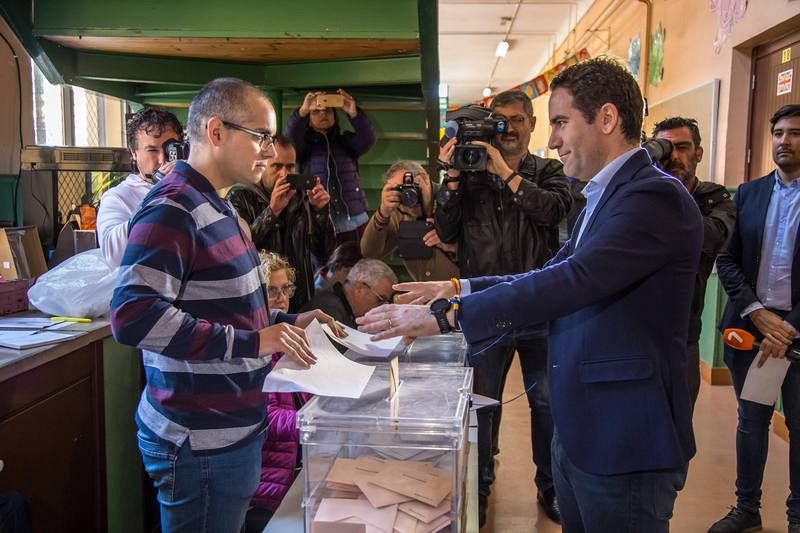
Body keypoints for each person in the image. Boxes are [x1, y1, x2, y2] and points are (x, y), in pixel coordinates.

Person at [358, 57, 702, 533]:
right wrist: (458, 285)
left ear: (606, 118)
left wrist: (448, 315)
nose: (553, 140)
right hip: (582, 428)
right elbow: (550, 270)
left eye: (561, 123)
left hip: (623, 439)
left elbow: (572, 280)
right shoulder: (606, 193)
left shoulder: (652, 197)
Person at [110, 77, 343, 533]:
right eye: (261, 136)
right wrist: (256, 339)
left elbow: (223, 307)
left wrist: (289, 320)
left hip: (231, 430)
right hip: (199, 441)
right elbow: (132, 316)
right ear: (216, 132)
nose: (270, 151)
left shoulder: (220, 208)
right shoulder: (173, 208)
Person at [436, 89, 571, 525]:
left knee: (547, 404)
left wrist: (505, 173)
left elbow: (553, 213)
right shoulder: (469, 173)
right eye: (500, 121)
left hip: (539, 304)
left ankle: (548, 486)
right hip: (486, 307)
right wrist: (453, 178)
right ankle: (480, 483)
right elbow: (445, 228)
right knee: (482, 402)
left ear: (532, 124)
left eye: (517, 120)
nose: (508, 128)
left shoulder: (550, 170)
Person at [711, 104, 800, 533]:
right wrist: (759, 314)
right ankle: (747, 509)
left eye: (796, 133)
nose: (785, 141)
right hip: (751, 327)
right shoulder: (749, 193)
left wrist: (786, 328)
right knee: (752, 423)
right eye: (779, 133)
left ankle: (797, 516)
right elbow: (727, 261)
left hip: (796, 333)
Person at [653, 116, 736, 410]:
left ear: (698, 153)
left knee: (677, 433)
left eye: (683, 147)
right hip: (636, 331)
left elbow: (712, 237)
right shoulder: (642, 195)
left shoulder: (714, 198)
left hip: (683, 333)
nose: (674, 156)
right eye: (665, 148)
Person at [229, 135, 336, 311]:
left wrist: (321, 212)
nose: (284, 174)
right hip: (261, 301)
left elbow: (326, 253)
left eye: (290, 166)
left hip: (300, 301)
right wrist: (272, 212)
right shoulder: (241, 199)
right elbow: (240, 250)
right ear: (262, 166)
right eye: (277, 166)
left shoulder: (303, 200)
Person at [246, 252, 313, 530]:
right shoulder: (256, 348)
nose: (282, 297)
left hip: (297, 479)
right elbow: (265, 418)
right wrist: (314, 422)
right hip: (266, 490)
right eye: (272, 290)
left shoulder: (296, 339)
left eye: (286, 289)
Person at [284, 89, 376, 244]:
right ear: (308, 119)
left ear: (335, 116)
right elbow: (289, 143)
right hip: (321, 222)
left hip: (355, 219)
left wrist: (354, 113)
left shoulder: (345, 142)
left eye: (328, 111)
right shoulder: (304, 148)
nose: (323, 114)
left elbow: (367, 139)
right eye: (316, 112)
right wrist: (302, 112)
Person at [97, 108, 183, 266]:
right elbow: (113, 255)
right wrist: (162, 195)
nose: (162, 159)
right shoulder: (118, 197)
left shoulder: (190, 188)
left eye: (170, 150)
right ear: (134, 153)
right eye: (152, 150)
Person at [361, 160, 458, 282]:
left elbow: (485, 251)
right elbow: (370, 253)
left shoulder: (451, 200)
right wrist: (383, 213)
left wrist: (452, 245)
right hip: (425, 295)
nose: (407, 195)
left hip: (461, 292)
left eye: (410, 186)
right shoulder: (399, 212)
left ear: (424, 178)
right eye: (400, 190)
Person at [302, 258, 396, 329]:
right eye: (381, 300)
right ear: (360, 289)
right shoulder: (329, 309)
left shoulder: (343, 308)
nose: (383, 307)